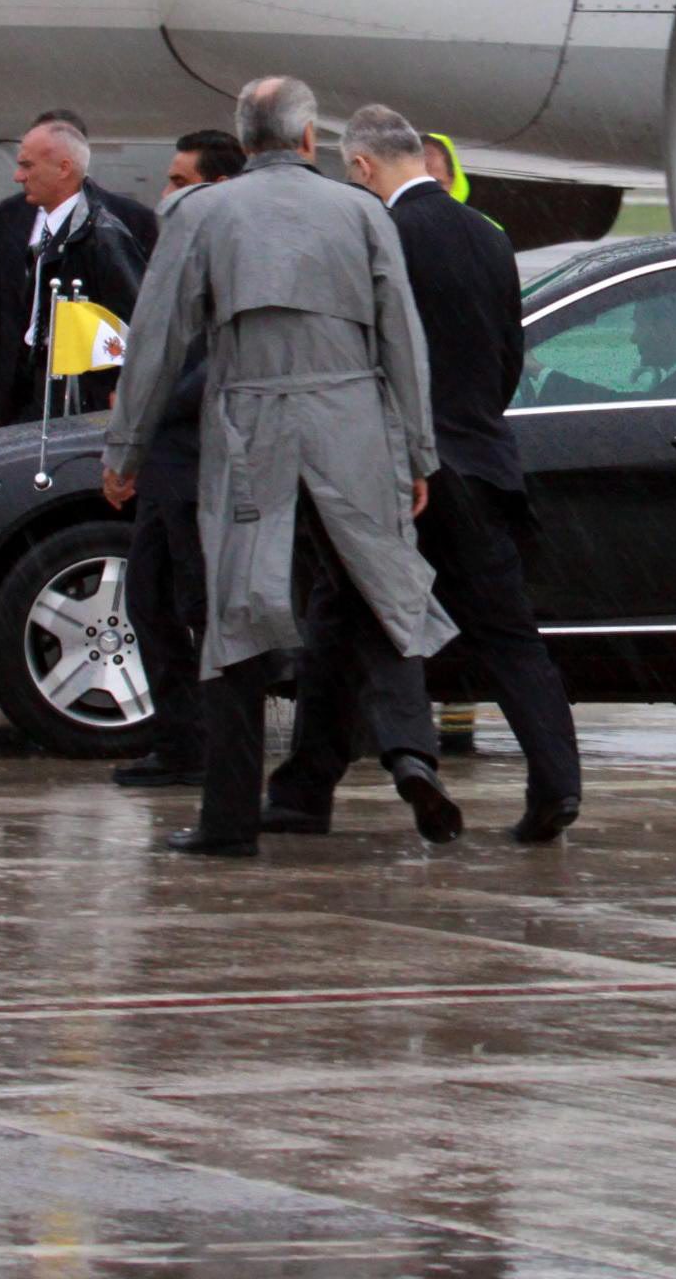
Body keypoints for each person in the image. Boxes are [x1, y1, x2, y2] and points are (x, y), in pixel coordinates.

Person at [101, 77, 460, 856]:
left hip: (252, 421)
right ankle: (409, 753)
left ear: (247, 140)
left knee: (237, 619)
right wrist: (417, 449)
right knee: (383, 595)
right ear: (307, 141)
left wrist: (125, 448)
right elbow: (403, 338)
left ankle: (229, 818)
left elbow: (155, 342)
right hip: (353, 422)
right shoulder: (362, 211)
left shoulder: (200, 212)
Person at [267, 104, 581, 843]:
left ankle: (315, 787)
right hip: (480, 464)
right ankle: (556, 785)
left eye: (354, 175)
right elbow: (507, 358)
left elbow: (359, 362)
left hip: (395, 471)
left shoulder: (376, 234)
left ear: (367, 167)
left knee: (339, 623)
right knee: (509, 639)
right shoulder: (488, 237)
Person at [109, 129, 247, 790]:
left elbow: (222, 363)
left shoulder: (236, 260)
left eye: (177, 180)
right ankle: (180, 741)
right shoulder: (180, 254)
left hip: (202, 470)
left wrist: (150, 399)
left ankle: (218, 749)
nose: (163, 194)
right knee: (148, 602)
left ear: (216, 189)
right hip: (165, 468)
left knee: (200, 611)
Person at [0, 116, 146, 428]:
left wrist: (118, 389)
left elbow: (134, 321)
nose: (18, 176)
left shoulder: (99, 237)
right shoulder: (56, 232)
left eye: (27, 166)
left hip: (76, 403)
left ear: (64, 168)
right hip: (39, 394)